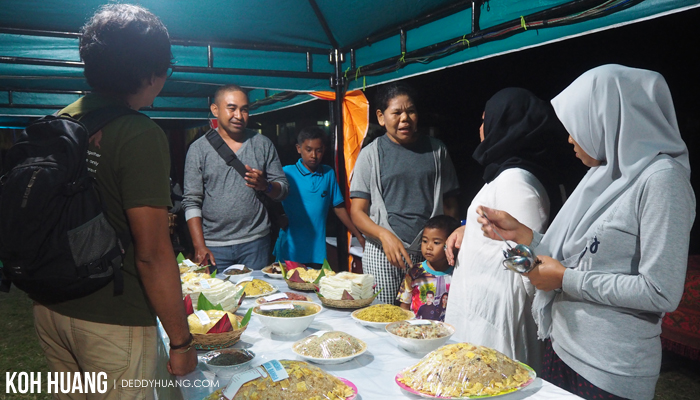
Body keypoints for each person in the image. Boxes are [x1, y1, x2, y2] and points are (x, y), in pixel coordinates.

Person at [476, 64, 695, 400]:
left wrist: (566, 280)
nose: (569, 138)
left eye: (576, 126)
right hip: (562, 348)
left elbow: (660, 291)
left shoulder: (662, 180)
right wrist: (525, 236)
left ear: (607, 118)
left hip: (609, 372)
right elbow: (585, 257)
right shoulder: (603, 176)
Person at [31, 4, 197, 398]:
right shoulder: (138, 133)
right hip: (112, 320)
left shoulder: (64, 119)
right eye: (165, 69)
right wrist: (181, 342)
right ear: (150, 72)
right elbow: (152, 252)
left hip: (49, 308)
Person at [444, 87, 576, 371]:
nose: (481, 128)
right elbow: (498, 231)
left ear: (505, 124)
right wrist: (468, 231)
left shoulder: (517, 182)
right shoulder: (508, 173)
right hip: (482, 311)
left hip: (496, 322)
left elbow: (526, 265)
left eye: (485, 119)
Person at [350, 82, 460, 304]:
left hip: (429, 251)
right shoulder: (370, 154)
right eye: (396, 112)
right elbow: (357, 211)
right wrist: (383, 235)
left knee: (427, 316)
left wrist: (446, 243)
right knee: (383, 317)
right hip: (383, 253)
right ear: (381, 117)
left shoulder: (437, 150)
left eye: (410, 111)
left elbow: (451, 203)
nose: (405, 119)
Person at [183, 85, 288, 272]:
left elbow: (283, 191)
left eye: (244, 109)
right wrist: (199, 246)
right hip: (214, 246)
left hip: (256, 243)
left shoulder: (262, 144)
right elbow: (191, 201)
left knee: (258, 297)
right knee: (218, 299)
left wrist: (266, 186)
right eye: (231, 108)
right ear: (215, 110)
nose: (239, 116)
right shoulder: (198, 149)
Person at [273, 126, 365, 267]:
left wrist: (358, 235)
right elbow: (268, 196)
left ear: (324, 150)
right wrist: (277, 217)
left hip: (317, 252)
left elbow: (338, 207)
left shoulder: (328, 173)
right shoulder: (287, 173)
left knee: (315, 287)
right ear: (299, 148)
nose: (314, 155)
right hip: (290, 250)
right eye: (308, 150)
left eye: (319, 150)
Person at [397, 215, 460, 320]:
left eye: (436, 243)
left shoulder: (457, 273)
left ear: (451, 244)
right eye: (425, 241)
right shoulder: (415, 272)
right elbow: (404, 304)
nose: (429, 247)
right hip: (416, 330)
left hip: (445, 331)